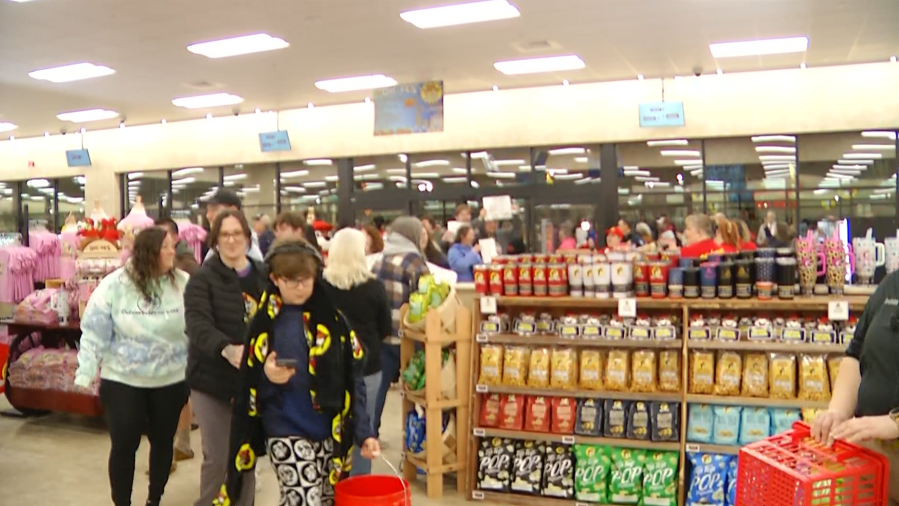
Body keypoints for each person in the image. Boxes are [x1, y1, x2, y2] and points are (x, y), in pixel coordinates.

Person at [219, 239, 380, 506]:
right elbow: (246, 382)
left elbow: (354, 380)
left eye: (306, 279)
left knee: (326, 500)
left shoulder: (335, 322)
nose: (300, 287)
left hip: (329, 431)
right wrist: (267, 377)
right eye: (291, 280)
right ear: (275, 279)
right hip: (284, 426)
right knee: (303, 499)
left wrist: (365, 431)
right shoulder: (263, 325)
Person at [75, 227, 190, 506]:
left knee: (163, 443)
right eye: (166, 247)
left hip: (170, 380)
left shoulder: (184, 283)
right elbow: (95, 329)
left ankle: (154, 499)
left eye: (173, 246)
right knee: (124, 444)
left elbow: (198, 326)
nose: (173, 251)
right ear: (149, 252)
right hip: (123, 380)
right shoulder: (115, 284)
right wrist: (86, 371)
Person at [185, 209, 268, 506]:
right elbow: (197, 325)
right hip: (211, 382)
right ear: (216, 240)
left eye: (237, 233)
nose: (232, 240)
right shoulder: (202, 280)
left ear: (247, 237)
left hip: (253, 383)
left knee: (246, 456)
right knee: (219, 459)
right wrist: (227, 348)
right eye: (225, 234)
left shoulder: (264, 274)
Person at [811, 271, 899, 503]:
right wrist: (838, 411)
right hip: (868, 457)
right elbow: (856, 353)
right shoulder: (892, 284)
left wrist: (895, 422)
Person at [322, 228, 392, 476]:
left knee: (327, 428)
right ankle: (359, 488)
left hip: (327, 367)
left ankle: (332, 486)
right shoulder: (374, 286)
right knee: (365, 431)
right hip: (368, 365)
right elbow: (385, 328)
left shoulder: (320, 287)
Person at [371, 217, 430, 440]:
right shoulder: (414, 262)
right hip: (408, 336)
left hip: (382, 334)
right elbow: (425, 301)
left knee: (378, 389)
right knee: (420, 390)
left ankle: (369, 435)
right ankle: (420, 439)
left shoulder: (380, 259)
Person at [156, 218, 198, 463]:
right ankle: (179, 445)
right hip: (166, 344)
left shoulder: (187, 267)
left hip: (181, 340)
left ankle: (173, 450)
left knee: (175, 396)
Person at [204, 189, 263, 262]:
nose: (208, 216)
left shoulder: (246, 251)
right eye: (208, 210)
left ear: (233, 210)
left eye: (214, 209)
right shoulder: (218, 246)